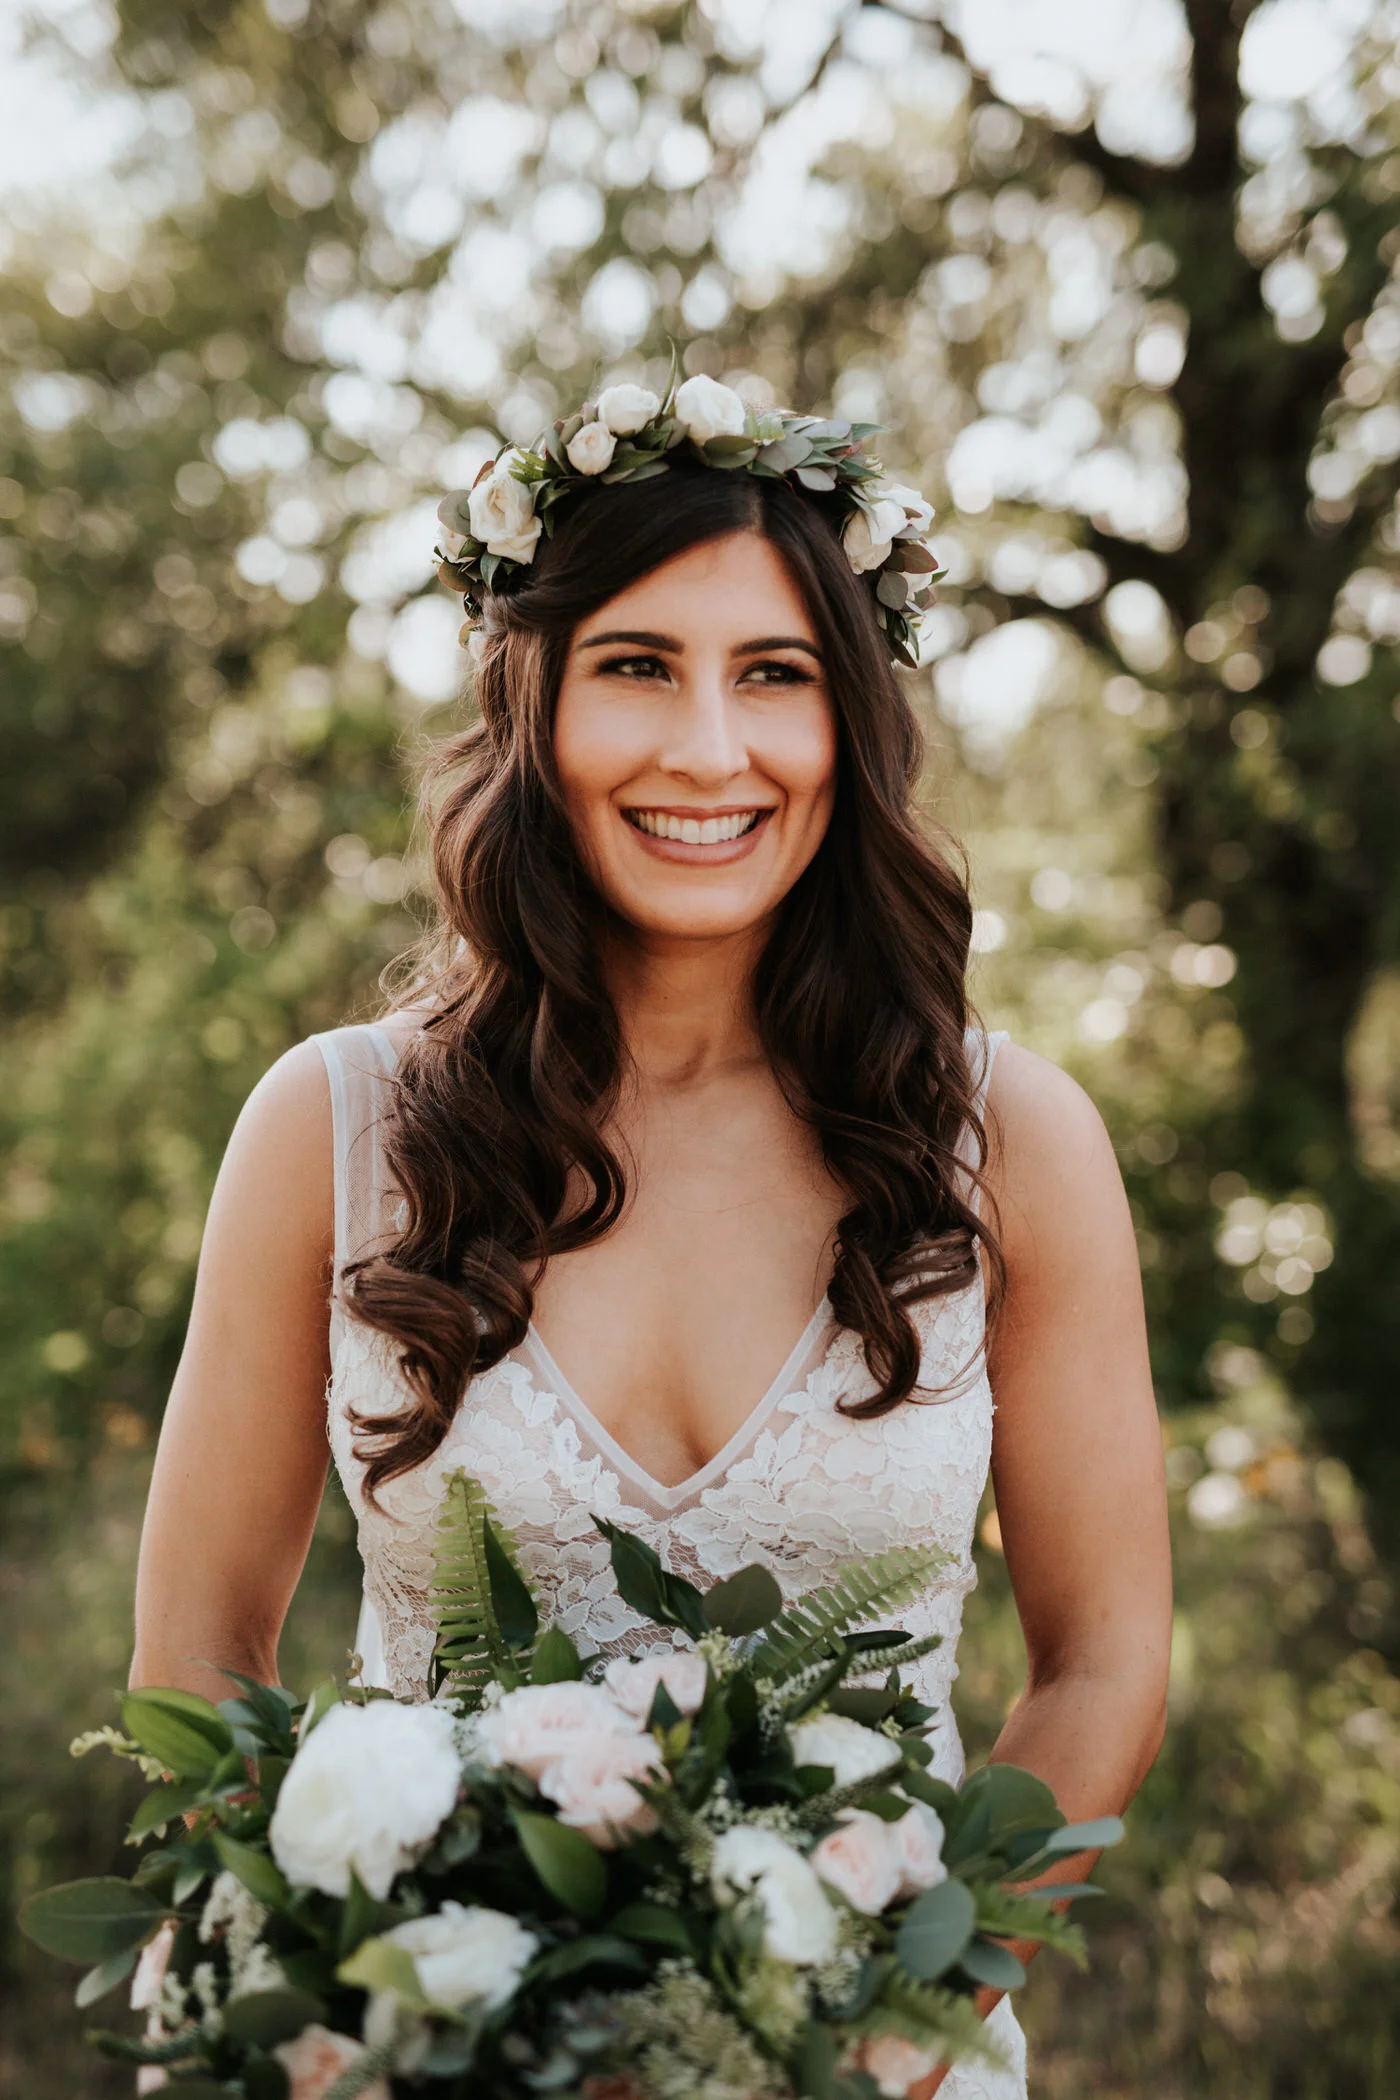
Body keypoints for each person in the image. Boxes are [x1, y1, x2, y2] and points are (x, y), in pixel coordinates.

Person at [130, 378, 1171, 2099]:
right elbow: (197, 1666)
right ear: (530, 699)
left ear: (853, 721)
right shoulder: (333, 1132)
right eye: (637, 668)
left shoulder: (1011, 1143)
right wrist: (360, 2004)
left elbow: (1105, 1660)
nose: (709, 749)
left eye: (775, 675)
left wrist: (890, 2026)